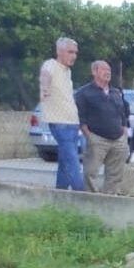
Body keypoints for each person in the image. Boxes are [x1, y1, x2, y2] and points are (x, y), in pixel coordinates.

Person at [74, 60, 131, 194]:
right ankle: (92, 200)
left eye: (109, 70)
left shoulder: (115, 92)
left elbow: (122, 113)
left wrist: (124, 131)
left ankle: (109, 199)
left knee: (115, 173)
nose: (108, 72)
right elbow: (81, 117)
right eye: (104, 69)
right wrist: (89, 136)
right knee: (91, 172)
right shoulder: (84, 93)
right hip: (97, 138)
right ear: (94, 72)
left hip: (118, 139)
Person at [40, 38, 85, 190]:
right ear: (59, 51)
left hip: (72, 124)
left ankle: (60, 196)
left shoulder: (67, 71)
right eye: (70, 52)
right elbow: (46, 75)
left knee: (65, 162)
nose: (74, 56)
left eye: (75, 53)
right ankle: (84, 198)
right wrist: (45, 88)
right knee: (73, 162)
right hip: (60, 124)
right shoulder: (51, 64)